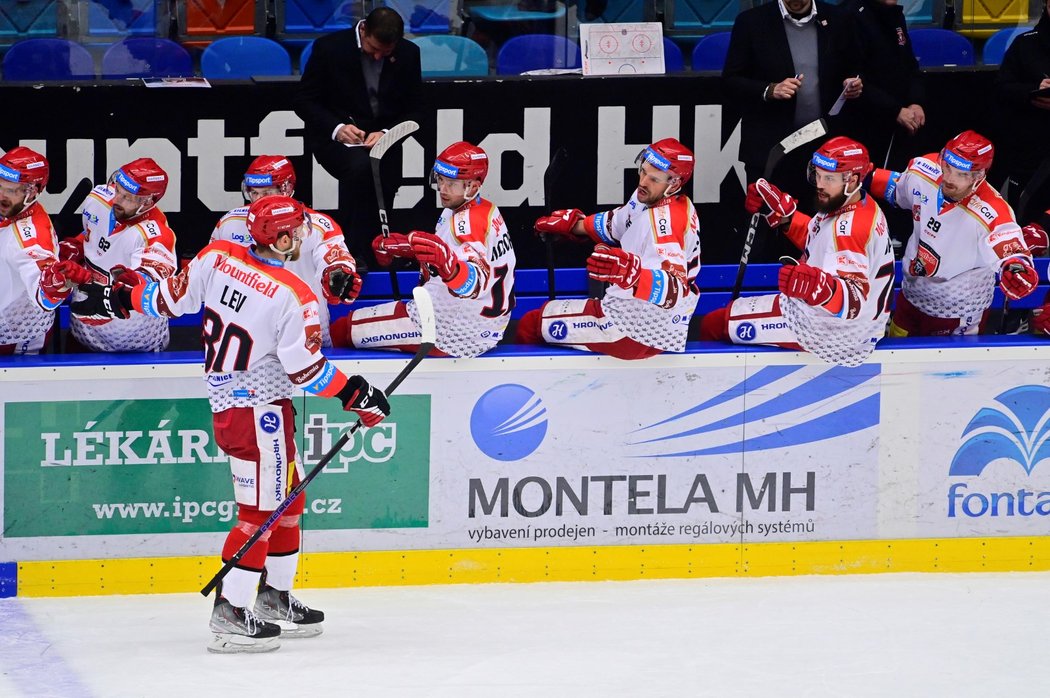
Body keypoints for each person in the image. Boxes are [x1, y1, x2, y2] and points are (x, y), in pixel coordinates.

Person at [71, 195, 392, 654]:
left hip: (232, 405)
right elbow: (307, 371)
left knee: (289, 499)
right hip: (260, 414)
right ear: (279, 238)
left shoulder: (215, 257)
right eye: (297, 231)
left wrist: (118, 296)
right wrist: (358, 394)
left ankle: (273, 596)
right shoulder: (292, 295)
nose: (302, 237)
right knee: (261, 514)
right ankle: (231, 610)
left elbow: (167, 299)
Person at [699, 137, 894, 367]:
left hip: (832, 333)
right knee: (726, 316)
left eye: (828, 178)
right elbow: (822, 244)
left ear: (852, 181)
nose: (820, 184)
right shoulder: (854, 202)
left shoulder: (849, 228)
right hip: (845, 322)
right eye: (818, 175)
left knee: (714, 324)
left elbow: (853, 302)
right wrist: (783, 217)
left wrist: (817, 287)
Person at [515, 138, 700, 360]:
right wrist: (577, 226)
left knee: (531, 324)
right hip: (646, 320)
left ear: (675, 183)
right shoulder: (654, 198)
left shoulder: (665, 224)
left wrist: (632, 275)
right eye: (643, 171)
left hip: (634, 329)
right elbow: (620, 221)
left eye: (653, 178)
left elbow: (676, 291)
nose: (643, 181)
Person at [331, 142, 514, 358]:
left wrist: (452, 269)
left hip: (447, 330)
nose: (443, 189)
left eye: (452, 183)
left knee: (342, 330)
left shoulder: (466, 224)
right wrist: (407, 247)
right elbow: (449, 254)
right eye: (441, 180)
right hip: (485, 327)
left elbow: (475, 282)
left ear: (473, 186)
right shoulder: (485, 209)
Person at [869, 130, 1039, 335]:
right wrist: (864, 177)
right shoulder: (923, 170)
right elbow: (897, 189)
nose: (948, 178)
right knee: (898, 359)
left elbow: (1009, 247)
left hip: (957, 312)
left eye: (961, 174)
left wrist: (1016, 267)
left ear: (979, 176)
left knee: (940, 367)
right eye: (947, 168)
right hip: (911, 297)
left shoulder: (993, 211)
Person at [293, 7, 424, 267]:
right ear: (363, 29)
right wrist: (337, 127)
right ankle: (351, 251)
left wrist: (387, 133)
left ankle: (380, 249)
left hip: (383, 138)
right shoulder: (329, 49)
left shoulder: (409, 54)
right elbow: (304, 100)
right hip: (335, 137)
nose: (378, 56)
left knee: (386, 179)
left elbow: (417, 108)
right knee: (361, 170)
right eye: (373, 48)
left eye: (385, 53)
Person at [210, 155, 361, 347]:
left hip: (307, 334)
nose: (258, 200)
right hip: (245, 336)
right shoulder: (230, 224)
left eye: (267, 192)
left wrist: (337, 274)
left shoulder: (318, 226)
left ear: (287, 189)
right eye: (254, 193)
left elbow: (334, 257)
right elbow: (213, 273)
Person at [723, 0, 865, 181]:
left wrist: (853, 82)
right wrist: (769, 89)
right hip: (771, 146)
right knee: (769, 209)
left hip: (825, 148)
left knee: (821, 209)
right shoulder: (751, 22)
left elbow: (856, 67)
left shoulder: (839, 18)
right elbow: (731, 81)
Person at [61, 157, 177, 352]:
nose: (117, 200)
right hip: (82, 332)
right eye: (117, 190)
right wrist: (76, 246)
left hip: (136, 343)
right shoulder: (97, 199)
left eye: (128, 197)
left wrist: (116, 297)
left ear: (149, 201)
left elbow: (146, 281)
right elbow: (92, 234)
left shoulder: (156, 235)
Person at [0, 146, 91, 354]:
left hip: (13, 337)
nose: (1, 195)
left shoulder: (30, 237)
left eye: (11, 190)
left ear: (33, 191)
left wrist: (55, 281)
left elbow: (45, 295)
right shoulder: (9, 207)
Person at [845, 0, 926, 163]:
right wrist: (894, 110)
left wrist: (915, 101)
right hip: (865, 125)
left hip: (901, 120)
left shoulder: (895, 14)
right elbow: (853, 78)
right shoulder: (849, 16)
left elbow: (910, 65)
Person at [994, 0, 1050, 213]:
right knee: (1026, 211)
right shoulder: (1025, 44)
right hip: (1029, 147)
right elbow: (1002, 88)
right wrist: (1032, 90)